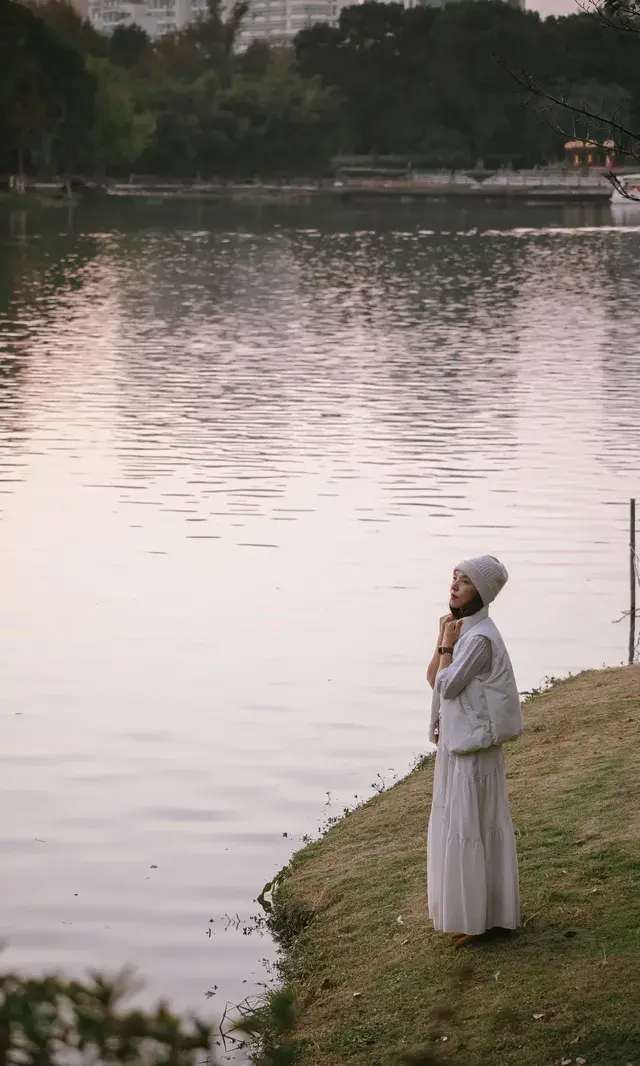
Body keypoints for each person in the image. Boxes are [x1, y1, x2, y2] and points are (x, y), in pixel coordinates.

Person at [426, 555, 524, 948]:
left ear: (480, 591)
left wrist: (448, 645)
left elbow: (448, 686)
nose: (454, 586)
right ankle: (478, 915)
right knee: (463, 825)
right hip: (458, 745)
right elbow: (434, 679)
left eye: (464, 581)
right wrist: (443, 639)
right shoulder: (464, 631)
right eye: (454, 577)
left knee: (475, 829)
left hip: (474, 749)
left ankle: (485, 920)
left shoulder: (480, 639)